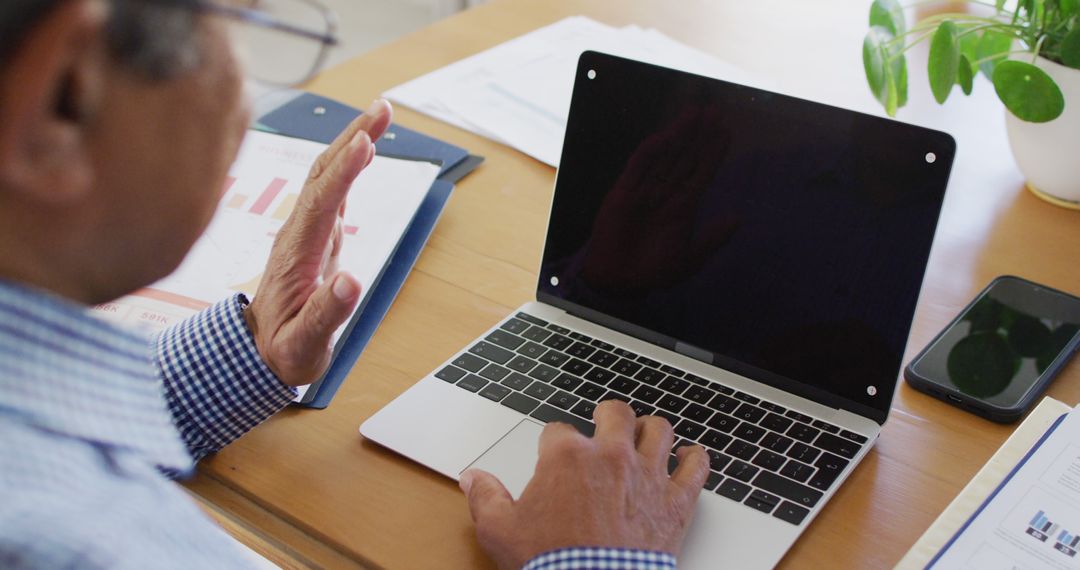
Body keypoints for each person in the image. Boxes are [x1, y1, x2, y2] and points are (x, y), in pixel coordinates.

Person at [0, 0, 710, 568]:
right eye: (237, 21)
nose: (249, 97)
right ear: (65, 96)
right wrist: (596, 562)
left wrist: (246, 356)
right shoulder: (67, 537)